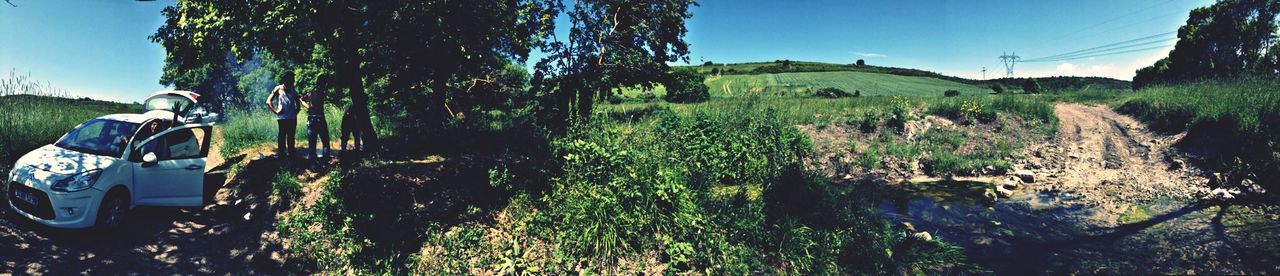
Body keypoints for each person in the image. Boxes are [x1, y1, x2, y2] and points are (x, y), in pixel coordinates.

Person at [266, 71, 300, 158]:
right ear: (286, 79)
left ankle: (291, 154)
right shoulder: (278, 88)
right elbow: (268, 101)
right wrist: (275, 111)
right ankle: (282, 155)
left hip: (292, 117)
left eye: (293, 79)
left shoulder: (292, 89)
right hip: (282, 118)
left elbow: (297, 99)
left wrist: (298, 109)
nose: (293, 81)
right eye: (291, 79)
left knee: (291, 136)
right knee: (282, 136)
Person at [302, 75, 332, 159]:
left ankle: (313, 164)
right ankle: (325, 163)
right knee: (325, 142)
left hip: (311, 119)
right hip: (320, 118)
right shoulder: (323, 92)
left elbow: (309, 107)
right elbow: (331, 96)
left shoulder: (311, 94)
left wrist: (302, 101)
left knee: (312, 143)